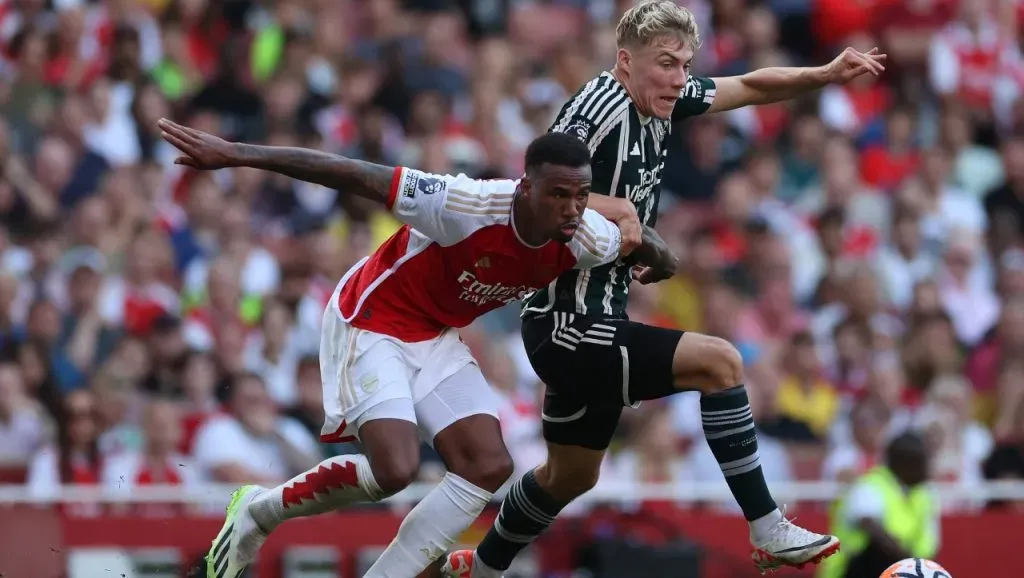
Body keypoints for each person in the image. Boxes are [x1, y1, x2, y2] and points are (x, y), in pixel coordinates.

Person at [441, 1, 888, 576]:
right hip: (566, 325)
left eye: (684, 64)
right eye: (666, 64)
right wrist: (623, 211)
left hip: (598, 314)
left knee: (571, 475)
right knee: (722, 363)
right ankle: (766, 526)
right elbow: (531, 188)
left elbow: (749, 84)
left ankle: (482, 566)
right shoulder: (596, 107)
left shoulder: (666, 99)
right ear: (625, 62)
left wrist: (824, 74)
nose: (679, 78)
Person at [156, 118, 677, 578]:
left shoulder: (587, 237)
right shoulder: (464, 204)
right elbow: (352, 172)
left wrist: (666, 261)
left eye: (581, 195)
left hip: (434, 333)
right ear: (524, 188)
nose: (572, 208)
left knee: (488, 466)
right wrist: (238, 153)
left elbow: (638, 239)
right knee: (395, 469)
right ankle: (257, 512)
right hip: (372, 317)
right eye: (558, 194)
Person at [818, 432, 939, 578]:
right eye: (922, 462)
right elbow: (870, 526)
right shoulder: (869, 486)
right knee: (877, 552)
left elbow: (927, 546)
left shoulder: (923, 495)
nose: (928, 469)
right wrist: (910, 564)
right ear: (903, 463)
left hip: (895, 570)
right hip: (848, 572)